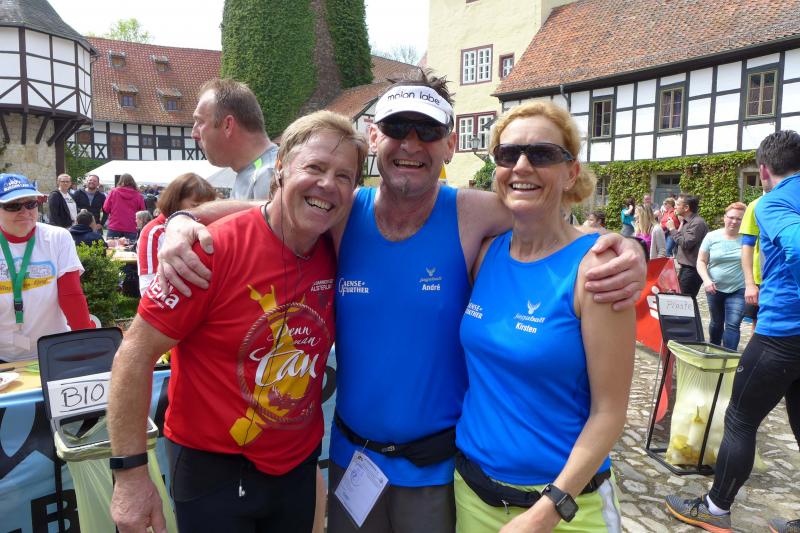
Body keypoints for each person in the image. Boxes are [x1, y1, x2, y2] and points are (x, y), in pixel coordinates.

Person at [157, 70, 646, 533]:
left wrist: (627, 248)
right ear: (374, 137)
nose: (411, 143)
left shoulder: (472, 213)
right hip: (353, 460)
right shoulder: (345, 211)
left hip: (435, 470)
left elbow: (544, 215)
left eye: (427, 131)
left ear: (449, 145)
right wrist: (182, 220)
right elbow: (267, 210)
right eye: (396, 128)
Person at [107, 111, 367, 533]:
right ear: (281, 167)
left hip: (296, 465)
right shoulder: (209, 251)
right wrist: (130, 475)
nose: (327, 184)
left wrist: (185, 216)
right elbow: (134, 355)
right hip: (214, 470)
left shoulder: (338, 246)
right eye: (315, 167)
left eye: (343, 176)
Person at [454, 102, 634, 532]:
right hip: (472, 493)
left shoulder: (596, 270)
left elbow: (610, 412)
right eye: (507, 154)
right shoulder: (485, 254)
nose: (521, 166)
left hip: (566, 507)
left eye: (541, 154)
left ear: (571, 172)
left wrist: (548, 510)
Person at [665, 130, 800, 533]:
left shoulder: (775, 201)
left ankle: (715, 508)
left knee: (740, 418)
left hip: (782, 333)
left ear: (764, 170)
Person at [0, 173, 93, 363]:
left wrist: (88, 345)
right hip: (3, 356)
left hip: (54, 351)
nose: (25, 212)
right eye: (13, 205)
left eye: (31, 204)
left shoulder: (58, 237)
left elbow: (71, 296)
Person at [192, 78, 278, 200]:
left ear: (228, 125)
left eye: (200, 122)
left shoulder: (269, 175)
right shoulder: (254, 171)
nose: (194, 134)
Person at [137, 173, 216, 295]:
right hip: (173, 300)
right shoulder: (154, 231)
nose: (202, 211)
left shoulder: (203, 227)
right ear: (175, 201)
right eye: (195, 206)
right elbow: (147, 287)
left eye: (207, 207)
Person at [696, 202, 747, 350]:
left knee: (733, 324)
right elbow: (701, 261)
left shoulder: (748, 239)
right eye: (731, 217)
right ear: (724, 217)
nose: (734, 221)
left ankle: (729, 356)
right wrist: (706, 280)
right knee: (716, 322)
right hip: (714, 288)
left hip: (739, 288)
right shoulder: (711, 237)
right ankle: (714, 349)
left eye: (739, 219)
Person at [666, 194, 708, 297]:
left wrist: (672, 229)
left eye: (677, 204)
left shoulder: (697, 223)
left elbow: (685, 243)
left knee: (685, 301)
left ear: (686, 208)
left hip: (692, 270)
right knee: (684, 301)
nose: (675, 207)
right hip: (686, 268)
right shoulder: (687, 221)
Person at [740, 192, 769, 330]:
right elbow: (747, 244)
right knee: (758, 323)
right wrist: (750, 284)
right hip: (762, 278)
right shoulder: (756, 205)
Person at [103, 173, 145, 240]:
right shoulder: (138, 195)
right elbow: (142, 212)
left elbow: (106, 208)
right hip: (131, 227)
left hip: (115, 226)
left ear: (120, 181)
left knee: (111, 246)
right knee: (130, 246)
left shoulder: (114, 192)